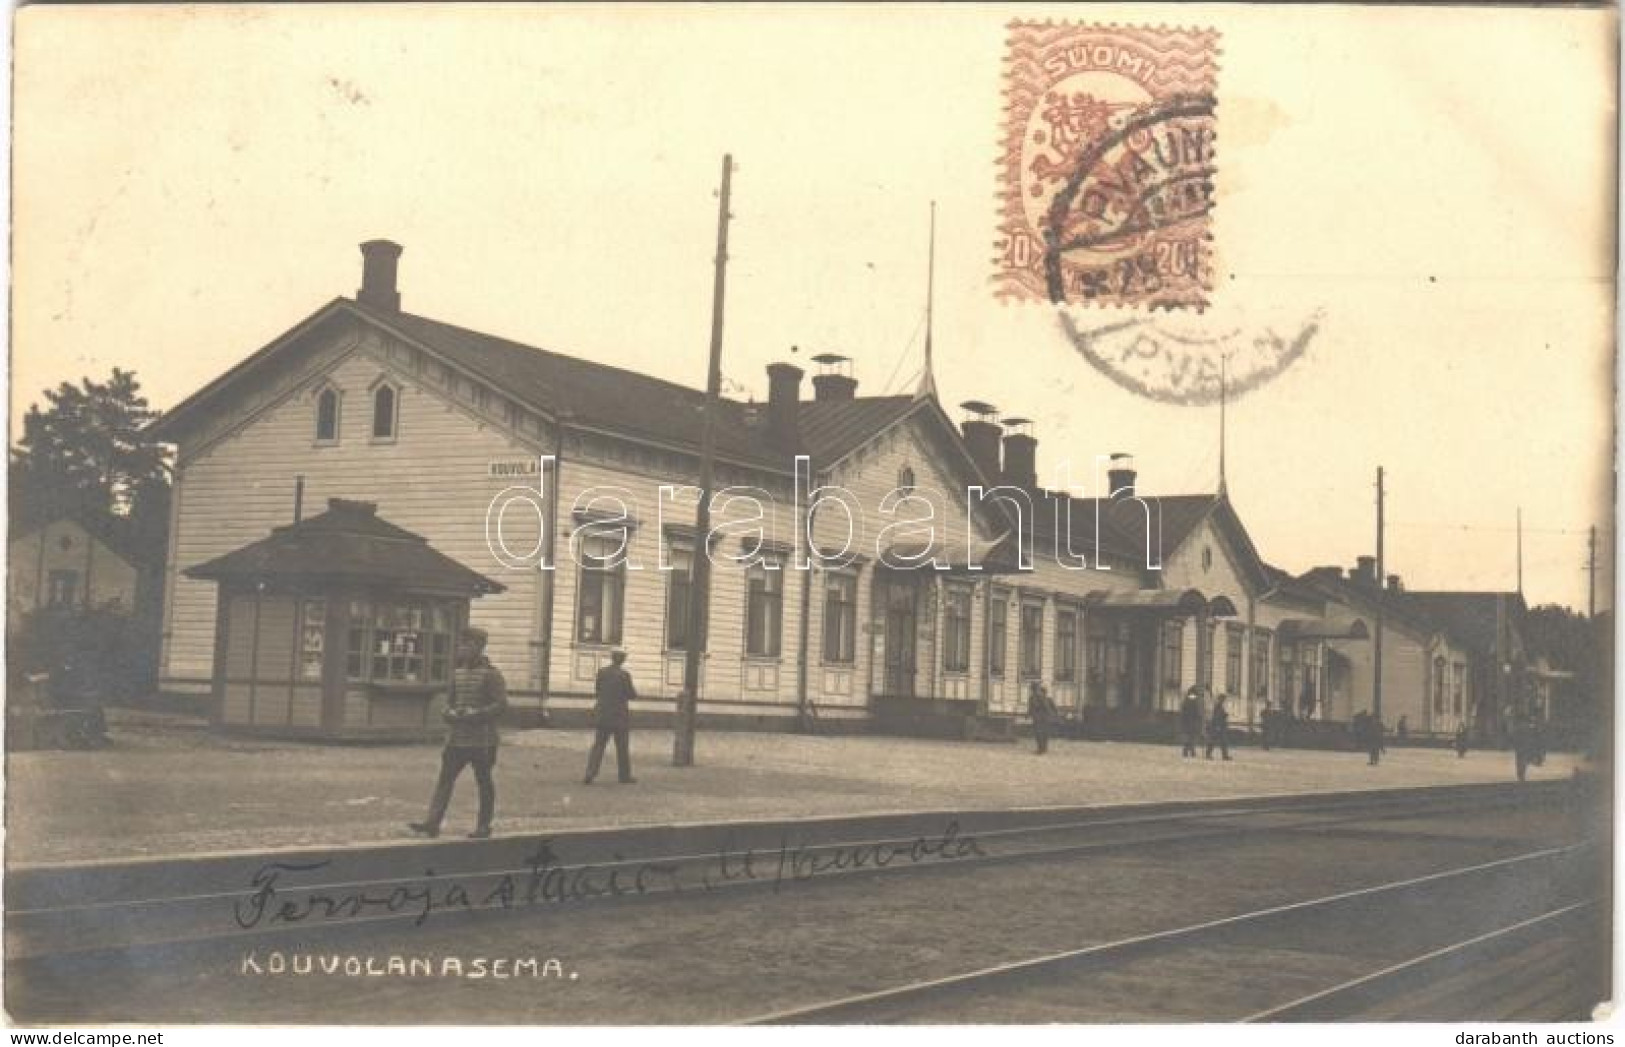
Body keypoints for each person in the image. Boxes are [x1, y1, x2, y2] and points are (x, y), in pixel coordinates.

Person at [409, 625, 508, 839]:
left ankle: (484, 825)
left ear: (479, 647)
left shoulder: (492, 675)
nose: (462, 648)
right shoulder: (457, 673)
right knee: (445, 780)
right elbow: (449, 702)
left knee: (484, 781)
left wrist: (477, 713)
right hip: (456, 739)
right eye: (461, 644)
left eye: (467, 644)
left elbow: (500, 705)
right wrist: (449, 713)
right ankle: (432, 823)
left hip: (483, 740)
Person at [584, 647, 638, 784]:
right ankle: (624, 776)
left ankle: (590, 773)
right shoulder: (624, 675)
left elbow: (597, 691)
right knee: (622, 747)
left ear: (612, 657)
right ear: (622, 659)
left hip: (603, 715)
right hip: (619, 716)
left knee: (599, 745)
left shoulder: (602, 673)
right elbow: (632, 694)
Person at [1028, 681, 1057, 755]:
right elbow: (1030, 708)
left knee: (1041, 734)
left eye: (1034, 688)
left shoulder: (1040, 697)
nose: (1033, 690)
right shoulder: (1032, 698)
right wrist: (1028, 714)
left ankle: (1042, 749)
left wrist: (1051, 715)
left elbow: (1046, 707)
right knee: (1040, 734)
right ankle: (1041, 748)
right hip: (1039, 718)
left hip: (1042, 718)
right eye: (1033, 689)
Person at [1205, 691, 1231, 761]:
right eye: (1223, 699)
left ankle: (1224, 755)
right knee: (1214, 741)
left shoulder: (1219, 706)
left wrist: (1225, 715)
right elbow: (1217, 717)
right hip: (1218, 726)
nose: (1224, 701)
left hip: (1220, 726)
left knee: (1222, 741)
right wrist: (1217, 726)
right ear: (1221, 699)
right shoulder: (1218, 706)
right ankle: (1208, 754)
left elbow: (1219, 716)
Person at [1179, 687, 1203, 758]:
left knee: (1189, 737)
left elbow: (1183, 712)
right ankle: (1190, 751)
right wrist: (1199, 717)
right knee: (1192, 737)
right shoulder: (1194, 700)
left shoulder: (1186, 700)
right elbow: (1197, 711)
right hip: (1192, 722)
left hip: (1186, 721)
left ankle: (1188, 751)